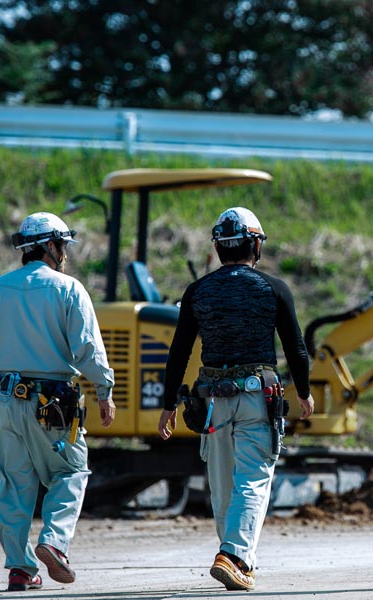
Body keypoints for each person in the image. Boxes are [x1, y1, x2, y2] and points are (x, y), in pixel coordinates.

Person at [0, 211, 116, 592]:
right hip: (53, 404)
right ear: (52, 247)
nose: (66, 254)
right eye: (64, 246)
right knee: (71, 472)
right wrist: (104, 392)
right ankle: (55, 542)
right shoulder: (69, 289)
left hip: (4, 401)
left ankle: (21, 568)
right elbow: (89, 350)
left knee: (14, 483)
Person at [158, 206, 314, 592]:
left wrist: (167, 405)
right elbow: (296, 348)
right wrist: (306, 392)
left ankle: (238, 558)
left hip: (211, 400)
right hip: (257, 396)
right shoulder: (274, 289)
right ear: (255, 244)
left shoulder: (198, 291)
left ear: (218, 247)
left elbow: (178, 353)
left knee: (222, 483)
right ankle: (233, 555)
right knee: (253, 478)